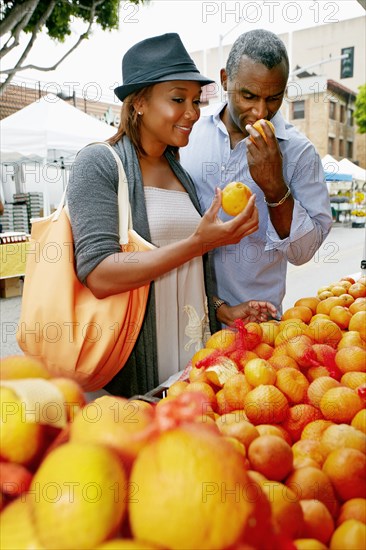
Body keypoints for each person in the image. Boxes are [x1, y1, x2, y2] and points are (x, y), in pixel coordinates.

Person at [67, 33, 276, 398]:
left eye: (196, 101)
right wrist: (200, 242)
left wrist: (224, 311)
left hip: (186, 362)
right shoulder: (99, 163)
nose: (193, 113)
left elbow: (183, 270)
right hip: (129, 364)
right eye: (178, 99)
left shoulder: (178, 170)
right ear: (140, 103)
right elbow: (98, 273)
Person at [180, 29, 333, 325]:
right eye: (248, 96)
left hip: (255, 329)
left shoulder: (301, 154)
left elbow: (303, 253)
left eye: (273, 98)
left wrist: (275, 186)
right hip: (186, 315)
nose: (260, 111)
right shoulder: (189, 135)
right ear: (225, 80)